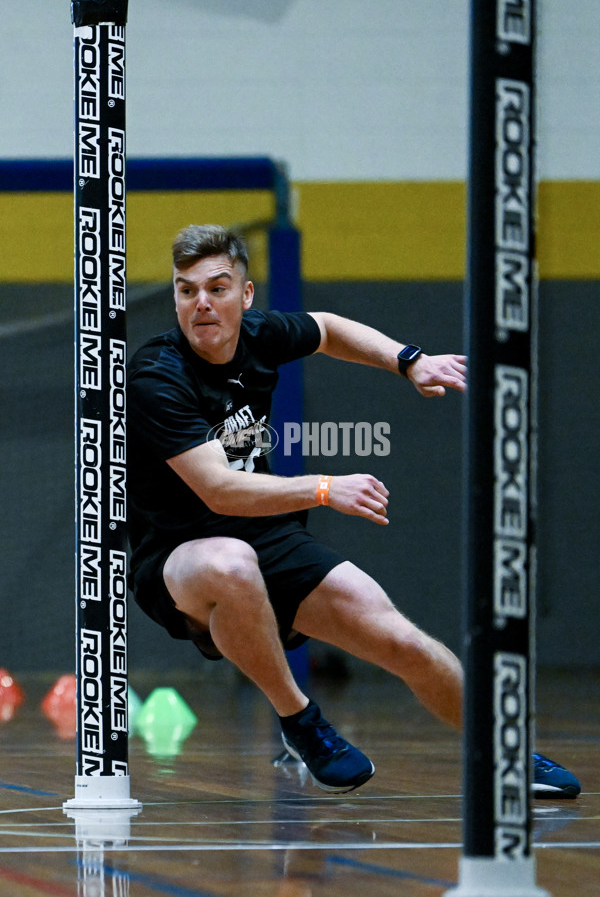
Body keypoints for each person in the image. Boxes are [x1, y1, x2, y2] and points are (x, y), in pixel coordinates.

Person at [127, 224, 580, 799]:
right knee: (232, 563)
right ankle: (300, 721)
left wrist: (408, 360)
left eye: (217, 288)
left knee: (403, 641)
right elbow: (217, 490)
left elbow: (327, 329)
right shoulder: (157, 376)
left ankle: (505, 752)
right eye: (186, 290)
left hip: (265, 534)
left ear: (245, 295)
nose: (201, 304)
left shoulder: (260, 334)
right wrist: (322, 487)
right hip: (177, 554)